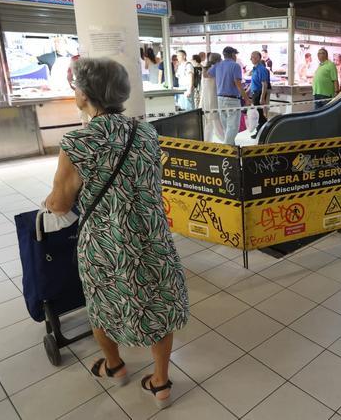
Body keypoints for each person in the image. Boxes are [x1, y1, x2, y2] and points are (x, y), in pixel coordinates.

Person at [45, 58, 188, 410]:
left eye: (76, 85)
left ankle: (115, 366)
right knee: (158, 303)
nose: (74, 91)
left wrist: (50, 199)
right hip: (152, 234)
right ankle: (161, 381)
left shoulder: (77, 142)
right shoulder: (147, 132)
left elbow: (61, 203)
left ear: (86, 94)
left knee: (102, 304)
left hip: (107, 242)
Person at [208, 46, 251, 145]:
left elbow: (208, 74)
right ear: (232, 55)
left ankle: (231, 145)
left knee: (226, 126)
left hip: (220, 99)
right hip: (232, 100)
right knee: (233, 126)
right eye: (235, 54)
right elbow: (238, 84)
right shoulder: (235, 66)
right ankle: (227, 148)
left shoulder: (218, 65)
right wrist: (247, 99)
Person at [200, 53, 224, 142]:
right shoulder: (216, 69)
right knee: (216, 120)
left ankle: (207, 141)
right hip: (214, 98)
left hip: (206, 99)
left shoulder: (205, 69)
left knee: (209, 122)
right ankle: (226, 141)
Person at [248, 51, 270, 137]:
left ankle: (262, 132)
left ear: (257, 58)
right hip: (255, 93)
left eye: (252, 57)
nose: (251, 59)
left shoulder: (261, 69)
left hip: (258, 93)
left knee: (260, 114)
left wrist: (262, 97)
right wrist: (247, 91)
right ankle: (261, 132)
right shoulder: (255, 69)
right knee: (259, 114)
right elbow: (253, 82)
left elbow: (264, 84)